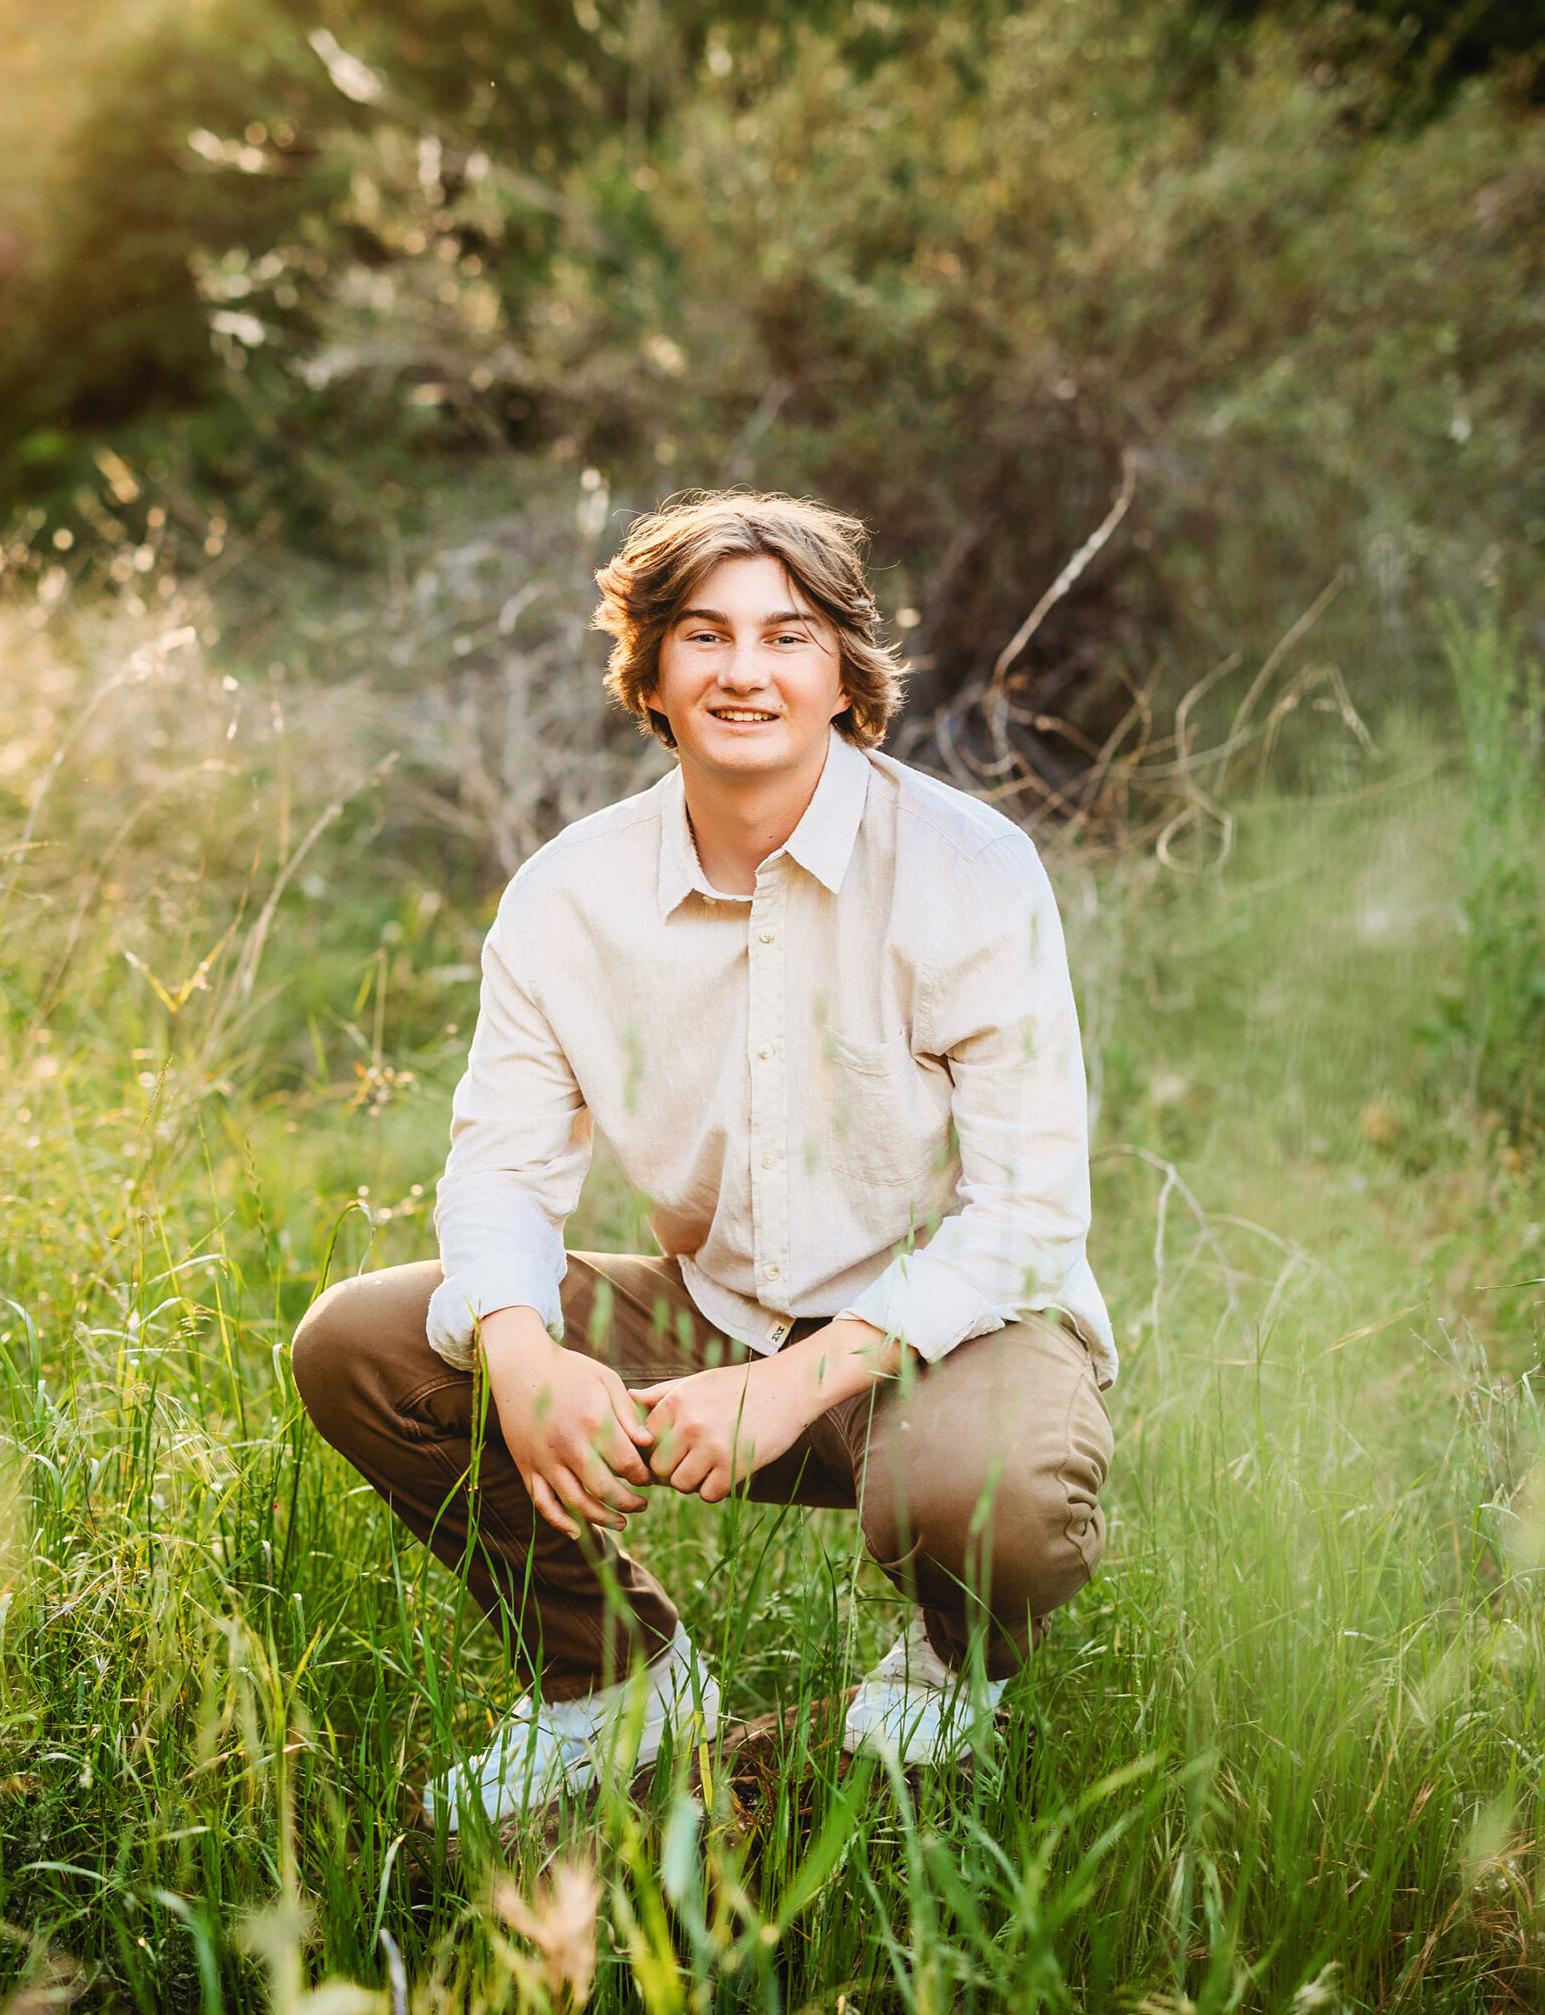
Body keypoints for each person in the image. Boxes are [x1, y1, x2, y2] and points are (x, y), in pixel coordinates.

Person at [292, 492, 1115, 1831]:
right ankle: (615, 1679)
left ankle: (954, 1671)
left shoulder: (968, 868)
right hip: (717, 1318)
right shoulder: (570, 895)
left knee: (995, 1496)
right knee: (365, 1344)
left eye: (788, 636)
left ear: (846, 671)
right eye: (705, 636)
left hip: (957, 1335)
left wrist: (796, 1385)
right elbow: (501, 1171)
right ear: (653, 674)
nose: (746, 671)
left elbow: (1027, 1216)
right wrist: (520, 1347)